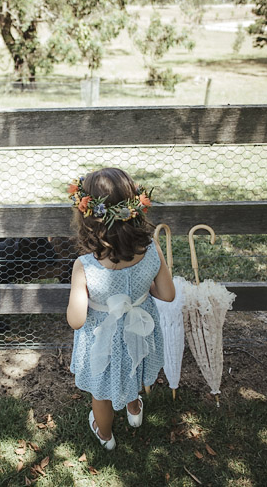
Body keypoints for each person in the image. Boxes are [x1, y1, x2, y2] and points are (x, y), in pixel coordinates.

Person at [66, 167, 176, 450]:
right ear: (134, 208)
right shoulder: (151, 249)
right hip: (138, 330)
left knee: (100, 392)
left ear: (87, 216)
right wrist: (141, 290)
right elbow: (167, 293)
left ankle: (105, 435)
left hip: (102, 339)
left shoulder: (85, 265)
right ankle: (134, 409)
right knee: (133, 365)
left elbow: (77, 320)